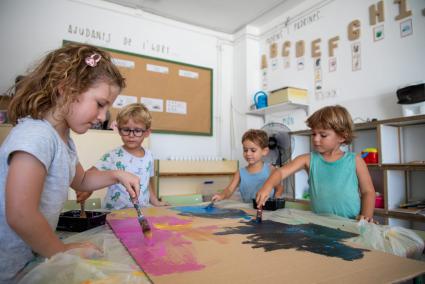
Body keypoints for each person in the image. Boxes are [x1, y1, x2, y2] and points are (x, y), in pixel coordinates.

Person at [0, 43, 141, 282]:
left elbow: (82, 180)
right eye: (100, 104)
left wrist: (117, 174)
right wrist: (62, 251)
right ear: (66, 90)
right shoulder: (37, 135)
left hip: (28, 259)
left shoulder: (63, 140)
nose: (103, 117)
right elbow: (20, 214)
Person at [256, 105, 376, 221]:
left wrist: (366, 217)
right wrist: (267, 187)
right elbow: (280, 172)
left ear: (342, 137)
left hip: (350, 224)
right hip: (320, 224)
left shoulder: (356, 161)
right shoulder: (308, 159)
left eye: (323, 135)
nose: (316, 139)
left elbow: (368, 192)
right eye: (314, 134)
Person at [78, 103, 168, 209]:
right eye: (126, 130)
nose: (131, 135)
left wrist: (156, 202)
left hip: (141, 212)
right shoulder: (113, 155)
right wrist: (87, 189)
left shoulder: (149, 155)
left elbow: (147, 183)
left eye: (137, 130)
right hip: (115, 213)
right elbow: (89, 175)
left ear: (147, 133)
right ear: (119, 130)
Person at [212, 129, 284, 203]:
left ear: (264, 151)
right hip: (247, 212)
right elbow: (229, 190)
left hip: (267, 212)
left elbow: (279, 188)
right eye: (245, 150)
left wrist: (277, 198)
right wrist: (221, 195)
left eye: (253, 150)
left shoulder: (271, 170)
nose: (248, 154)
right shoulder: (240, 173)